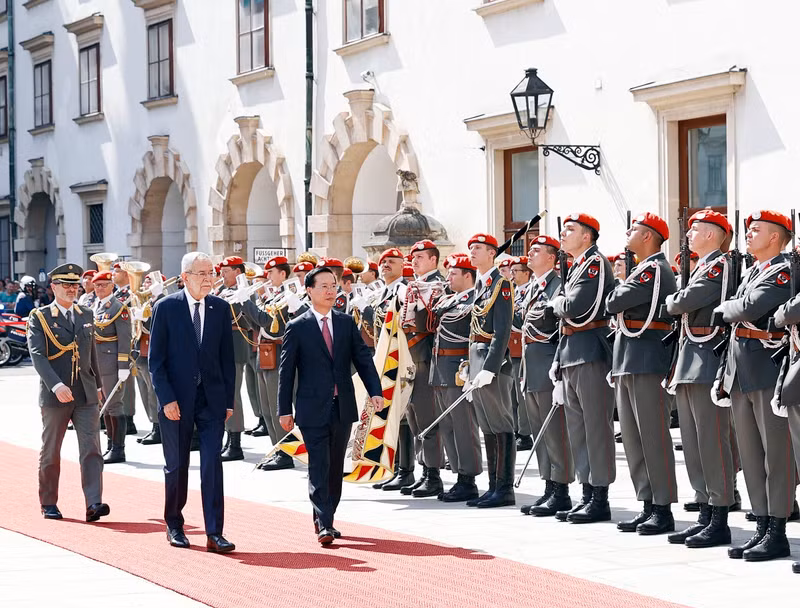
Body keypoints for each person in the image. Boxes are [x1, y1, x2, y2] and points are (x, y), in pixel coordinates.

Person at [278, 266, 383, 544]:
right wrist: (284, 410)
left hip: (342, 406)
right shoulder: (297, 326)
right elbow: (286, 372)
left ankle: (328, 516)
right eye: (323, 286)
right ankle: (323, 521)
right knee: (319, 464)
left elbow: (363, 359)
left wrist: (375, 391)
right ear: (309, 291)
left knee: (336, 465)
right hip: (312, 407)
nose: (329, 291)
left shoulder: (346, 323)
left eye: (333, 285)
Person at [714, 210, 795, 562]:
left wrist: (728, 307)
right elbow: (739, 312)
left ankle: (777, 528)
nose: (748, 234)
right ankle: (761, 524)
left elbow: (750, 307)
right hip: (741, 371)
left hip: (766, 370)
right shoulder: (752, 272)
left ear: (775, 238)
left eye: (756, 230)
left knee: (775, 456)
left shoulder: (783, 272)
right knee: (750, 455)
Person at [149, 251, 236, 553]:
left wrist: (228, 400)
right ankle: (174, 524)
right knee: (177, 466)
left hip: (211, 401)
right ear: (185, 277)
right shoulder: (166, 307)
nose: (209, 279)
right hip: (177, 400)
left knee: (213, 463)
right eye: (202, 274)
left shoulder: (220, 308)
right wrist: (167, 399)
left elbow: (228, 359)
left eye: (211, 273)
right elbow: (156, 362)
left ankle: (215, 532)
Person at [663, 209, 736, 548]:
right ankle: (705, 512)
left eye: (694, 230)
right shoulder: (701, 267)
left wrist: (673, 300)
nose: (689, 235)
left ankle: (719, 517)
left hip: (708, 358)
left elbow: (684, 302)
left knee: (711, 441)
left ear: (711, 234)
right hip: (690, 359)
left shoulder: (718, 265)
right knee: (692, 442)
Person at [606, 213, 678, 535]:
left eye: (634, 229)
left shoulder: (654, 270)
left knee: (653, 437)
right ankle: (647, 504)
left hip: (647, 360)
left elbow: (615, 300)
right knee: (634, 440)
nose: (628, 232)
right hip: (629, 358)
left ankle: (662, 508)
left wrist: (620, 292)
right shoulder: (641, 270)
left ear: (648, 236)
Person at [27, 263, 109, 522]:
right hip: (56, 394)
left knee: (92, 449)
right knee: (51, 450)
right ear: (53, 287)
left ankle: (94, 503)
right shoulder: (39, 317)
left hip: (84, 393)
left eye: (75, 285)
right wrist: (56, 385)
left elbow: (91, 353)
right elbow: (38, 355)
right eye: (66, 285)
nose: (72, 289)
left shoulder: (86, 314)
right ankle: (49, 502)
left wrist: (97, 386)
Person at [550, 213, 616, 523]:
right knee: (578, 430)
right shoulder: (575, 266)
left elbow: (574, 308)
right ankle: (587, 492)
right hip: (571, 351)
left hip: (590, 350)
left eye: (570, 230)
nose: (563, 234)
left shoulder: (594, 263)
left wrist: (557, 301)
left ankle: (600, 496)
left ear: (587, 237)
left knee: (596, 428)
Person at [518, 236, 574, 517]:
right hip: (530, 366)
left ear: (552, 258)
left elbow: (559, 327)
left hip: (547, 363)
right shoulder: (530, 287)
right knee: (540, 431)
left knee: (555, 431)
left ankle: (561, 489)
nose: (530, 253)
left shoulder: (559, 285)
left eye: (537, 251)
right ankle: (549, 486)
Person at [465, 233, 516, 508]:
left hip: (492, 364)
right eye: (471, 248)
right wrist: (468, 367)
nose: (472, 252)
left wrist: (490, 368)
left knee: (500, 424)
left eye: (479, 248)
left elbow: (502, 330)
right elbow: (472, 330)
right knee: (487, 425)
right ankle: (493, 486)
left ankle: (505, 488)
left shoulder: (501, 283)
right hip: (477, 362)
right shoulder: (481, 285)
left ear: (492, 254)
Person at [430, 254, 482, 502]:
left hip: (458, 368)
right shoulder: (449, 300)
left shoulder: (475, 300)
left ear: (467, 275)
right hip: (440, 367)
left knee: (464, 426)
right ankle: (458, 473)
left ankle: (468, 478)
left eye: (453, 273)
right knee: (448, 426)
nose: (448, 277)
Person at [399, 239, 447, 498]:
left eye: (420, 257)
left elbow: (432, 323)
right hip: (410, 358)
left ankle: (434, 475)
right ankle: (424, 470)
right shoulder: (413, 287)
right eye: (413, 257)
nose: (414, 261)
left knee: (427, 419)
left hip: (426, 358)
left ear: (433, 260)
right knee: (414, 418)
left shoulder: (439, 285)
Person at [241, 256, 296, 471]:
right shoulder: (271, 297)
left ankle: (285, 452)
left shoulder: (287, 296)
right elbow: (253, 323)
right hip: (264, 350)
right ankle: (275, 449)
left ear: (282, 274)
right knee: (265, 406)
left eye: (271, 272)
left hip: (278, 349)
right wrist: (241, 306)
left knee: (276, 405)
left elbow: (269, 324)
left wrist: (246, 301)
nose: (267, 276)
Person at [92, 271, 133, 464]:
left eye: (104, 285)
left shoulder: (118, 307)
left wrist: (123, 365)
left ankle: (119, 449)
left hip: (111, 364)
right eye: (97, 285)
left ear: (111, 286)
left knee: (114, 405)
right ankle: (110, 444)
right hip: (97, 363)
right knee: (105, 407)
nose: (100, 288)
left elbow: (125, 339)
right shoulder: (95, 306)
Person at [216, 256, 254, 462]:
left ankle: (236, 442)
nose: (222, 273)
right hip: (220, 346)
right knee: (222, 395)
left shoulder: (244, 292)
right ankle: (228, 438)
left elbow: (244, 318)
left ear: (238, 272)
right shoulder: (221, 290)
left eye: (227, 270)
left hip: (234, 346)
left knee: (232, 395)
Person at [508, 256, 533, 451]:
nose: (512, 274)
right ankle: (516, 429)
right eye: (512, 271)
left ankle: (524, 434)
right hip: (510, 349)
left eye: (516, 271)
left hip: (522, 349)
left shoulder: (530, 292)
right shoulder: (513, 292)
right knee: (512, 396)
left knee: (521, 394)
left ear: (527, 273)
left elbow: (520, 320)